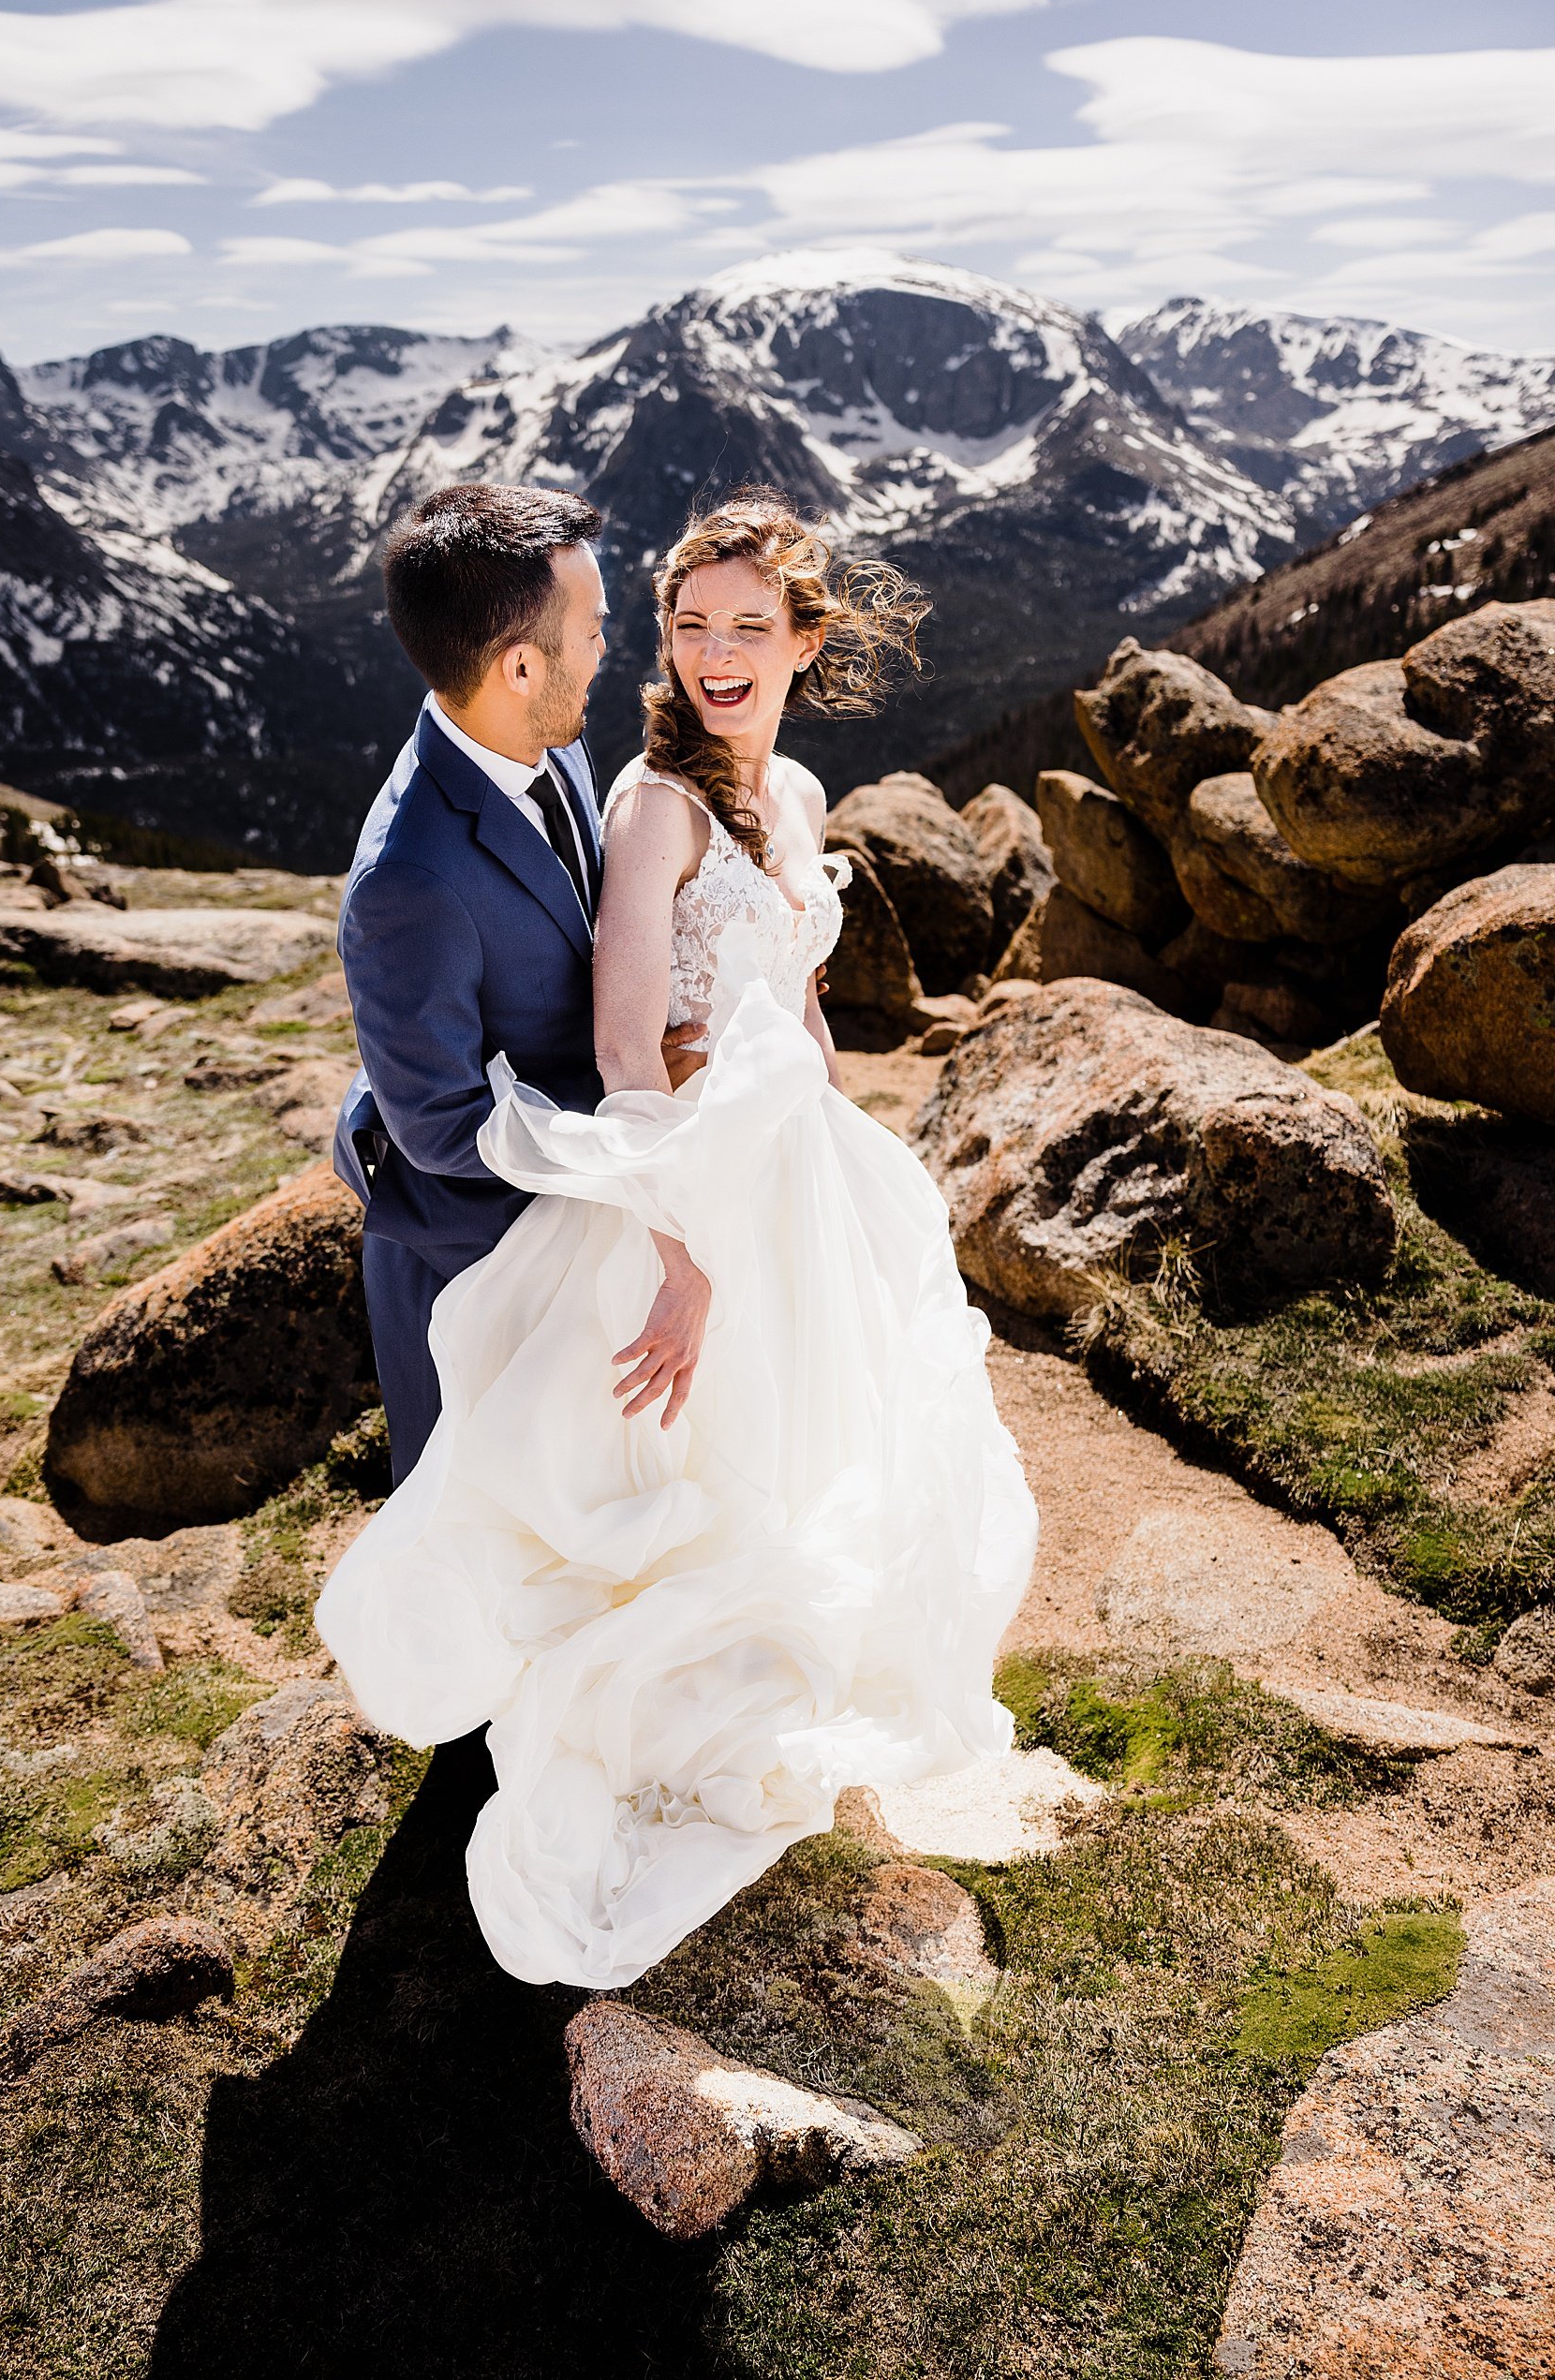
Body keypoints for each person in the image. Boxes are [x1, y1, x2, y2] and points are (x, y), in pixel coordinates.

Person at [318, 491, 1038, 1990]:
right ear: (522, 661)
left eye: (743, 627)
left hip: (750, 1161)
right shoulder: (427, 868)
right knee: (516, 1486)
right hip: (498, 1212)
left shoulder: (644, 768)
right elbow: (492, 1097)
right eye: (653, 625)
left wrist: (814, 1132)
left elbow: (786, 984)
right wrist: (671, 1210)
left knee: (764, 1443)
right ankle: (493, 1747)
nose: (669, 655)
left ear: (805, 642)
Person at [333, 481, 703, 1482]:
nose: (606, 645)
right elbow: (442, 1128)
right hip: (479, 1258)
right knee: (481, 1543)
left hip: (579, 1205)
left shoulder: (549, 729)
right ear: (519, 665)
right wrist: (626, 1124)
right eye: (589, 627)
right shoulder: (405, 882)